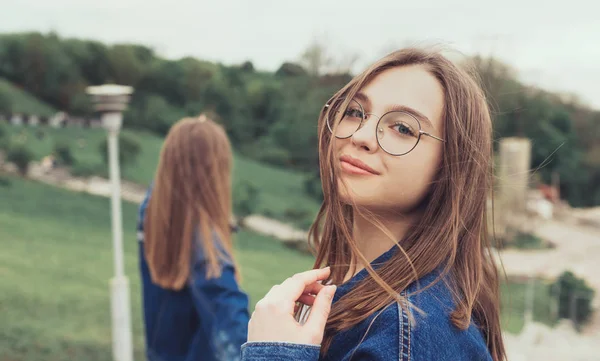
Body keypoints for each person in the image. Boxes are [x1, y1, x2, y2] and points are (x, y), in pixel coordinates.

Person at [241, 47, 506, 361]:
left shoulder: (403, 334)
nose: (361, 136)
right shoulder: (381, 305)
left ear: (450, 165)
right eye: (354, 112)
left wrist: (273, 353)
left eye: (403, 128)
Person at [137, 114, 249, 361]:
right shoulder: (205, 248)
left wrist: (189, 139)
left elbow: (170, 179)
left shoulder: (154, 213)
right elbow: (234, 334)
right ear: (216, 175)